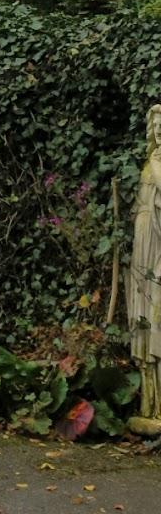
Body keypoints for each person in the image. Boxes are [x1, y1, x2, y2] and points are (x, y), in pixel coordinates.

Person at [129, 104, 161, 430]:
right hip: (143, 248)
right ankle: (149, 406)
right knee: (144, 319)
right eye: (155, 125)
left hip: (159, 250)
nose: (159, 129)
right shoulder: (148, 165)